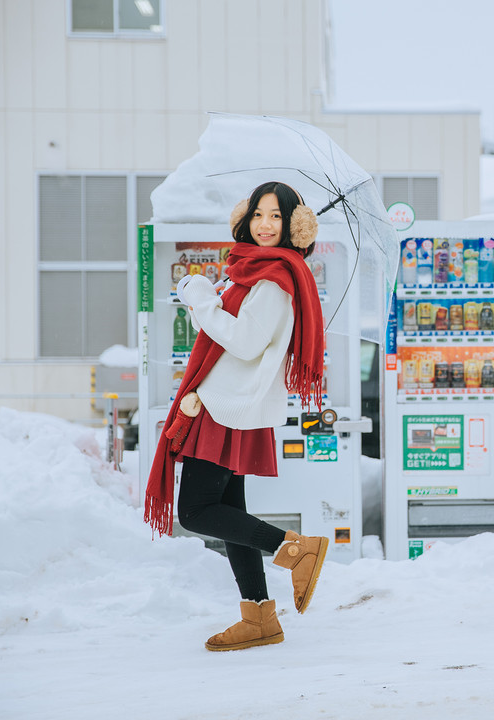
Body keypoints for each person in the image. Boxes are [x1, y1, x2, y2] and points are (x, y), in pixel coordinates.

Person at [145, 181, 329, 652]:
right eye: (259, 215)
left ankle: (297, 550)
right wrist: (211, 294)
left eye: (277, 217)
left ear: (294, 226)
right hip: (227, 402)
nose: (266, 225)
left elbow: (244, 343)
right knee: (232, 514)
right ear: (245, 219)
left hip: (226, 405)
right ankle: (260, 616)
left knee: (197, 511)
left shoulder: (273, 280)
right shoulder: (254, 271)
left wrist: (198, 297)